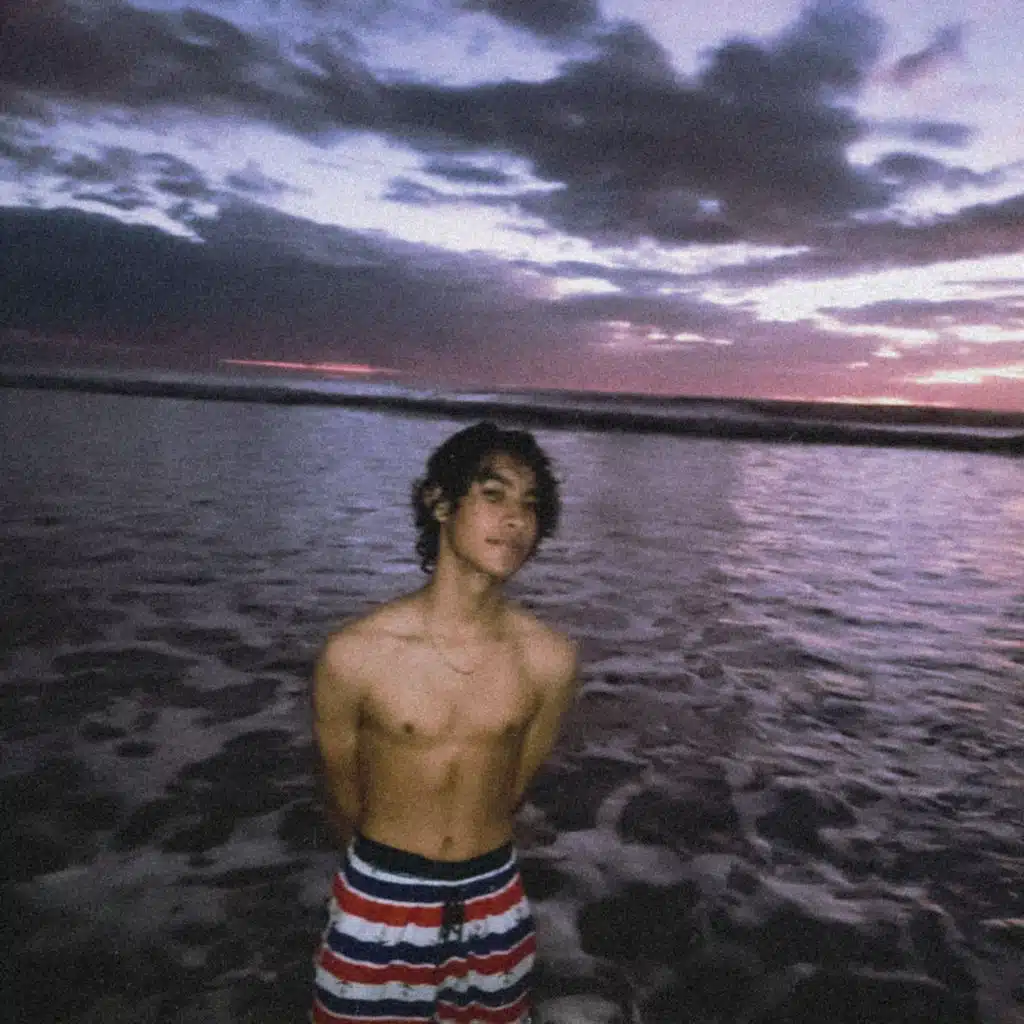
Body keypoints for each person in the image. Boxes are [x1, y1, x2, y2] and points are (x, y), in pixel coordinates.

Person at [311, 421, 578, 1024]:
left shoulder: (548, 660)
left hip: (493, 896)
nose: (516, 520)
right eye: (493, 494)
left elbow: (513, 786)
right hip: (380, 895)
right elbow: (342, 795)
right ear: (439, 502)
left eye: (531, 505)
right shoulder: (355, 654)